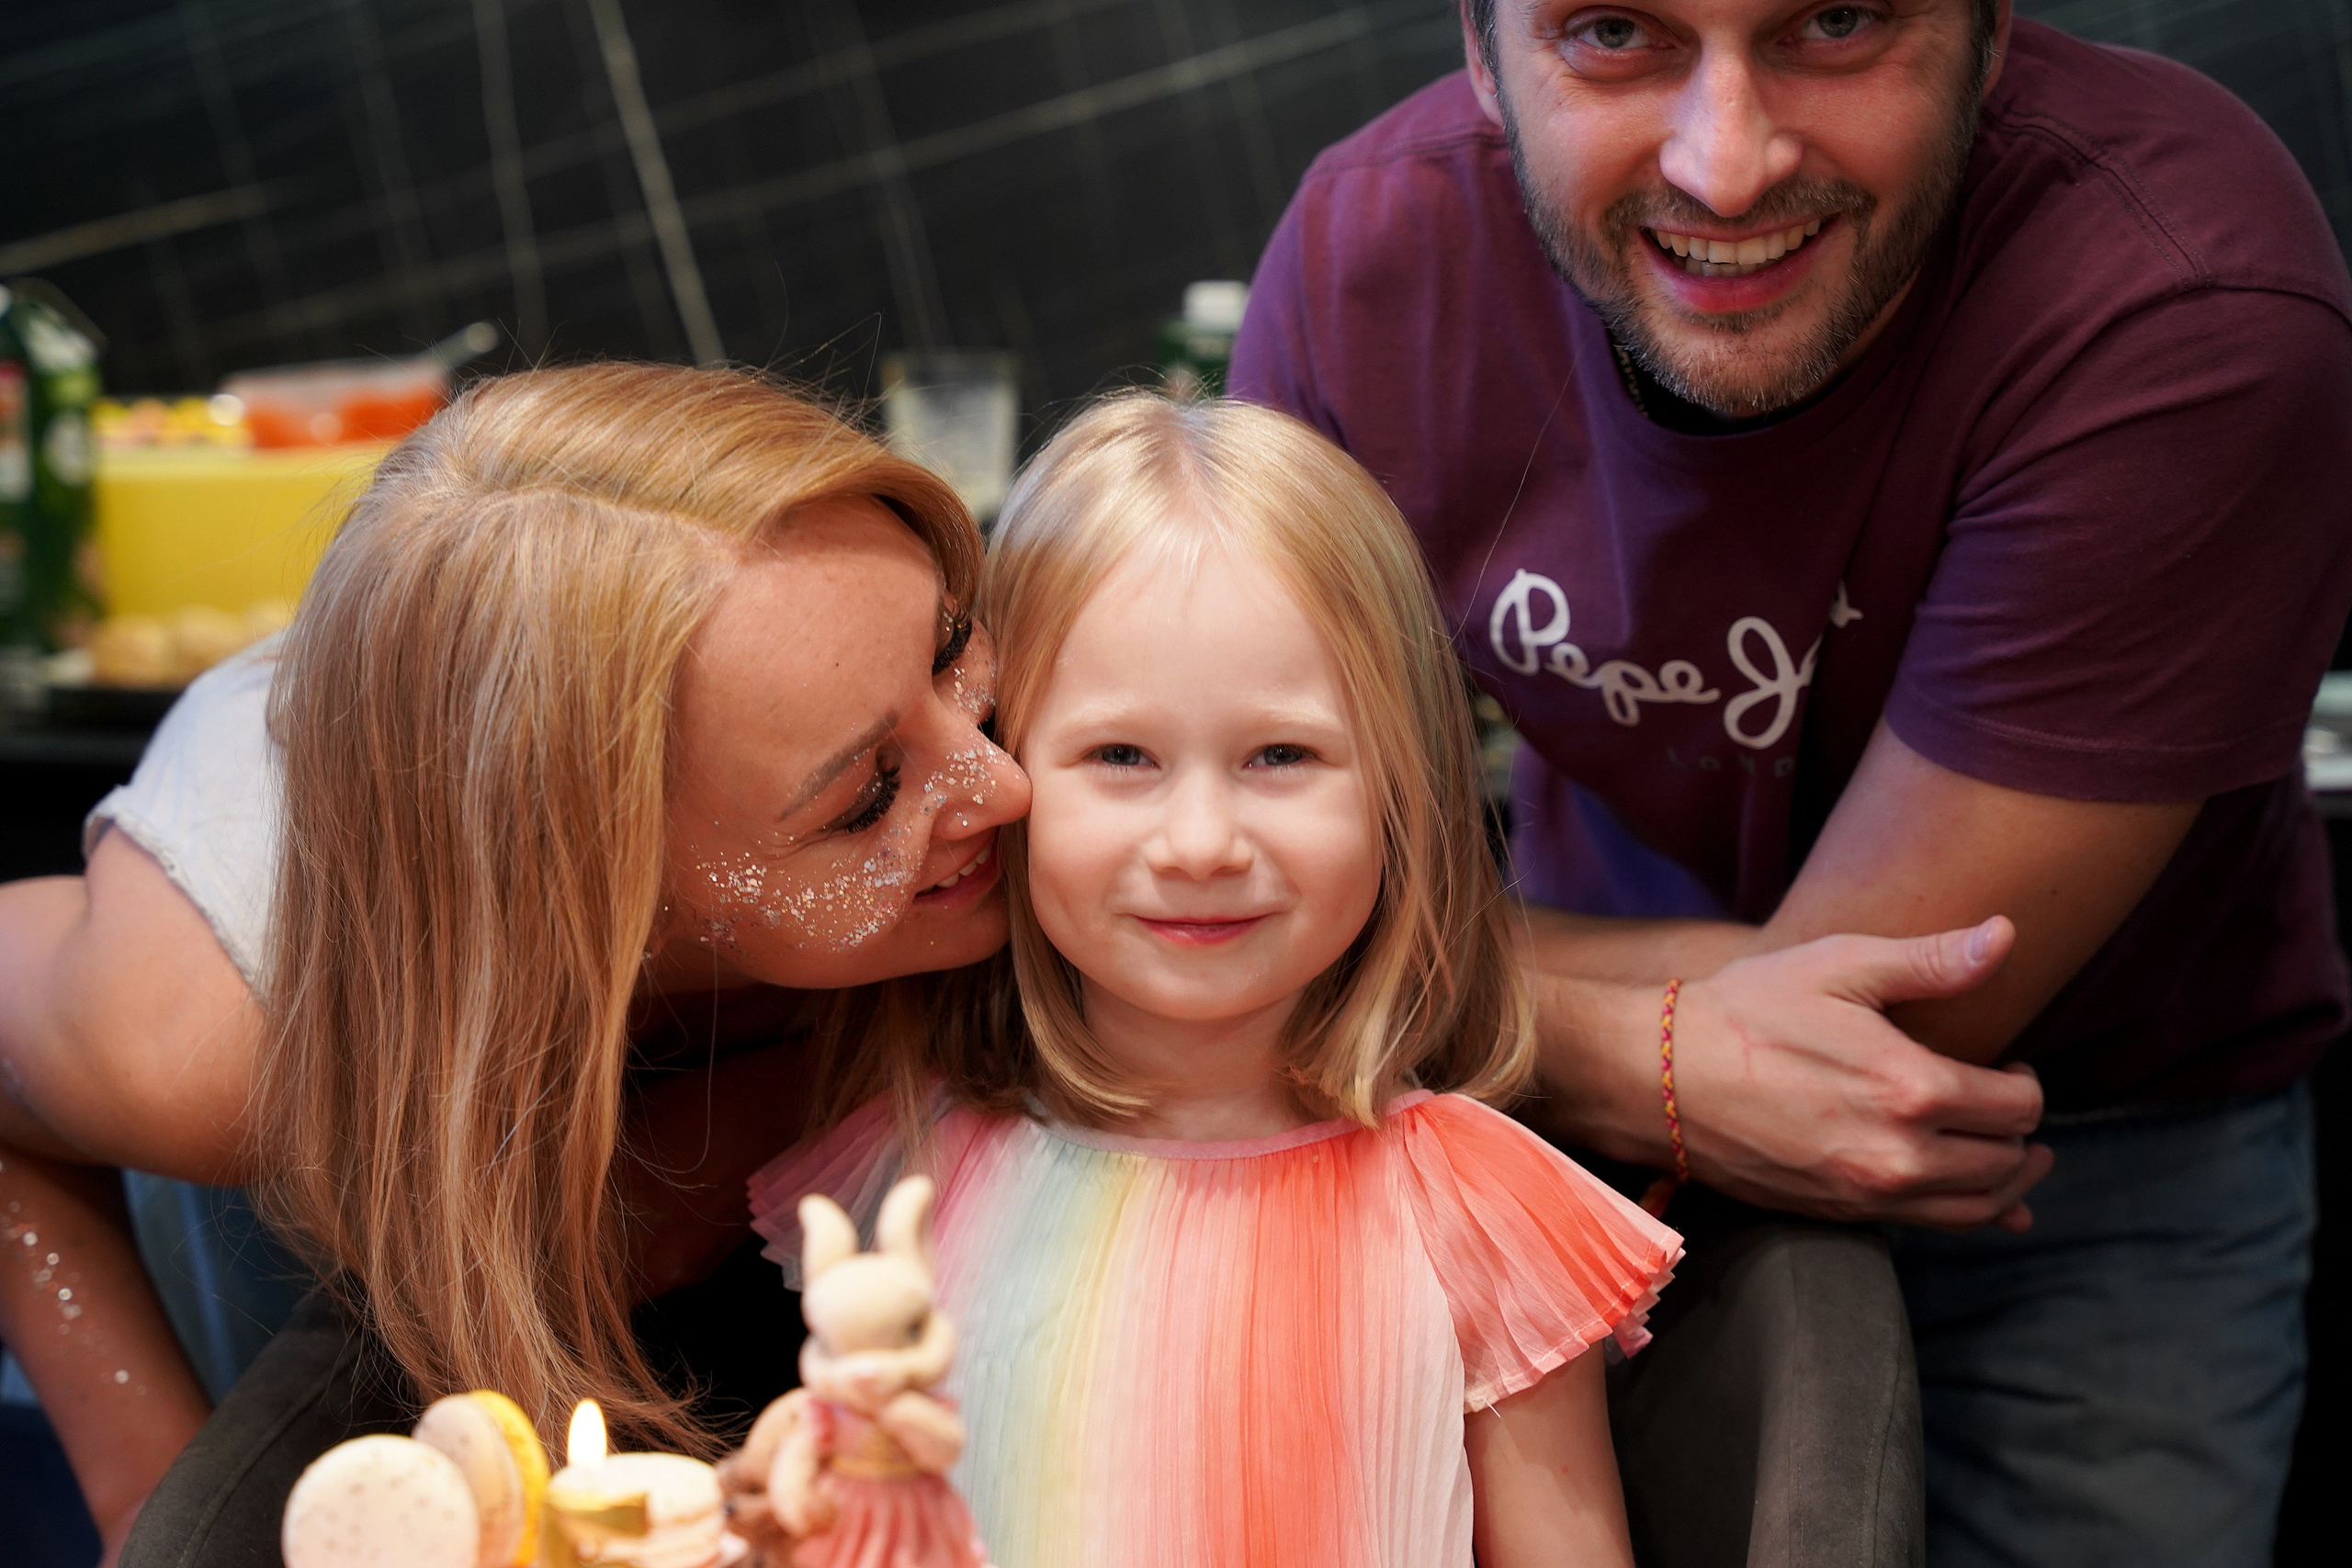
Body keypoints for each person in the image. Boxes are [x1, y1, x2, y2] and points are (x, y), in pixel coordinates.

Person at [1229, 0, 2352, 1562]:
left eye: (1836, 22)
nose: (1729, 163)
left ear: (1988, 29)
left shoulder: (2182, 285)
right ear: (1481, 55)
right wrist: (1623, 1053)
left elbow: (1881, 1029)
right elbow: (1208, 860)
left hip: (2080, 1157)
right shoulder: (1369, 261)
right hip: (1526, 1128)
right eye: (1615, 33)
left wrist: (1392, 979)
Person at [0, 361, 1030, 1553]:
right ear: (611, 896)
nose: (1004, 782)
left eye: (954, 650)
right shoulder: (194, 1038)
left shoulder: (926, 709)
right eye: (867, 799)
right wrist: (150, 1498)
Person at [737, 394, 1682, 1567]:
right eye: (1120, 756)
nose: (1198, 842)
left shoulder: (1470, 1212)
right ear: (1005, 772)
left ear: (1403, 784)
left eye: (1280, 755)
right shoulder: (915, 1166)